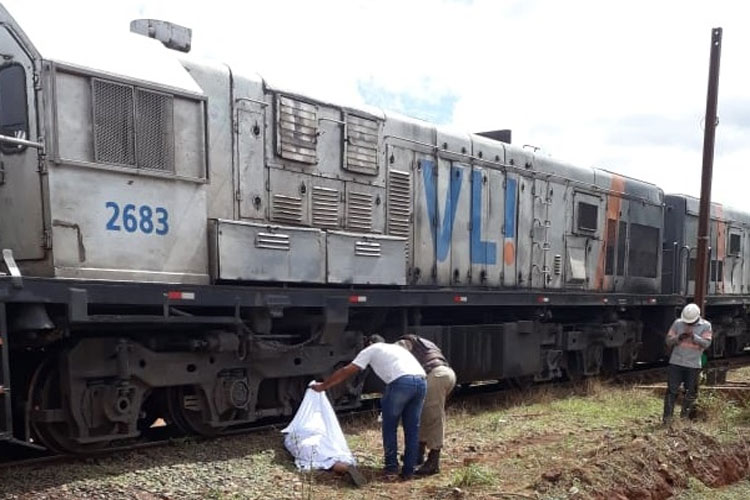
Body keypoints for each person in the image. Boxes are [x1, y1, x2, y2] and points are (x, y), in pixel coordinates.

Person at [311, 334, 427, 479]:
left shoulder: (371, 349)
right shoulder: (397, 349)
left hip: (401, 383)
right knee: (412, 428)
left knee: (390, 427)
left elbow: (347, 370)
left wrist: (324, 385)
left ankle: (391, 469)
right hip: (421, 381)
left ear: (369, 343)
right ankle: (409, 472)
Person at [396, 334, 456, 475]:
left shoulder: (400, 344)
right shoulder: (420, 341)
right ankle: (418, 453)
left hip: (435, 376)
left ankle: (433, 461)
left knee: (433, 417)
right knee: (422, 414)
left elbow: (400, 360)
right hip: (442, 373)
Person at [663, 303, 712, 424]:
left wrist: (694, 337)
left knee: (690, 392)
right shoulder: (678, 323)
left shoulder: (706, 326)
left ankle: (684, 419)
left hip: (693, 364)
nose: (688, 324)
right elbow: (668, 341)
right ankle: (667, 419)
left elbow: (706, 344)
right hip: (676, 362)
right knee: (671, 391)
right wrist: (679, 337)